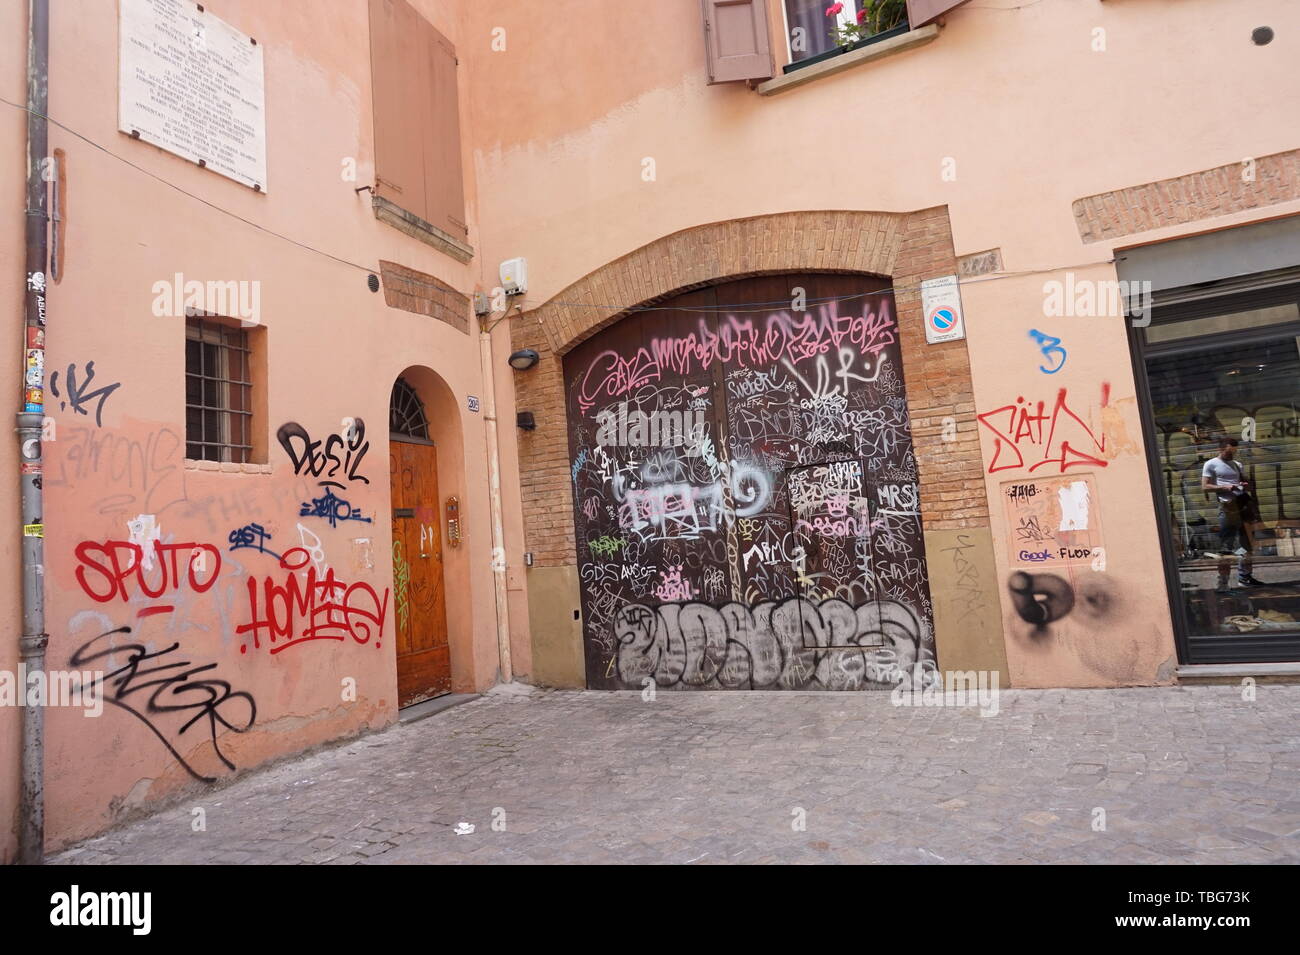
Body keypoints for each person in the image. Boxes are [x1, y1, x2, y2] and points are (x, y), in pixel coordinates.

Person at [1201, 436, 1263, 591]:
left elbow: (1247, 484)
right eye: (1229, 452)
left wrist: (1245, 484)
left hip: (1242, 505)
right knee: (1226, 547)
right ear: (1221, 449)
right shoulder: (1211, 464)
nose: (1232, 455)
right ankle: (1223, 582)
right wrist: (1225, 487)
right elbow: (1205, 486)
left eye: (1234, 452)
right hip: (1227, 507)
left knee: (1246, 544)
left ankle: (1245, 577)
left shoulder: (1237, 464)